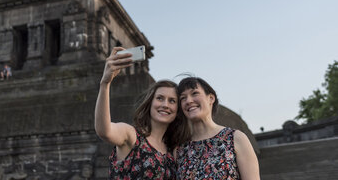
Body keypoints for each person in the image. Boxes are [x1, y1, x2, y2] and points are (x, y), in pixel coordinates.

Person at [95, 47, 189, 179]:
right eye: (160, 98)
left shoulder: (172, 151)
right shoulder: (131, 135)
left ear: (177, 110)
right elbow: (104, 131)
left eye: (172, 101)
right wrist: (105, 83)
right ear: (150, 103)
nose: (165, 105)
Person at [176, 77, 260, 180]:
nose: (188, 101)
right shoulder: (179, 149)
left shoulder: (236, 138)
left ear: (211, 98)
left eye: (194, 93)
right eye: (183, 98)